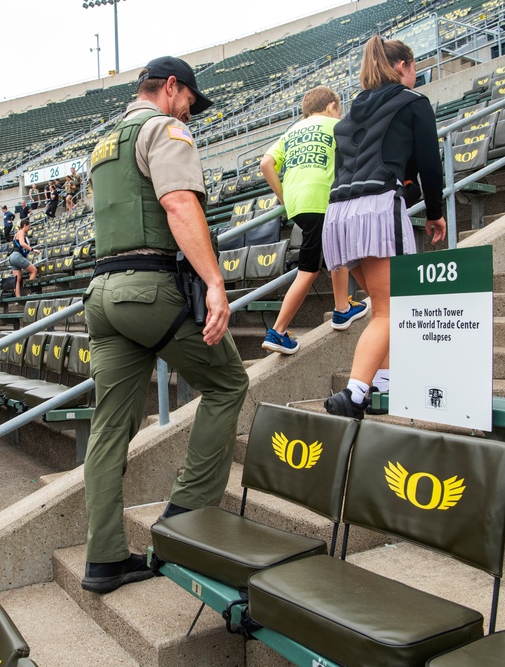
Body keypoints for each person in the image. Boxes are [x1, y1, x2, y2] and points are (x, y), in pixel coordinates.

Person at [81, 56, 249, 594]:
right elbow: (178, 205)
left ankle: (104, 560)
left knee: (109, 429)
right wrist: (216, 284)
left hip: (101, 296)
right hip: (148, 287)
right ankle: (186, 519)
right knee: (228, 383)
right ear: (171, 87)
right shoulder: (164, 128)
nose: (192, 114)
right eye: (190, 102)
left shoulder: (103, 146)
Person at [322, 36, 446, 419]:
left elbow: (395, 162)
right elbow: (429, 163)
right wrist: (435, 212)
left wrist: (409, 187)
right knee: (390, 310)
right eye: (415, 67)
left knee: (383, 304)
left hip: (338, 214)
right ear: (403, 66)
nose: (416, 74)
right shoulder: (414, 102)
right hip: (375, 206)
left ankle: (385, 384)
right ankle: (354, 393)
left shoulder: (351, 112)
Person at [260, 87, 369, 355]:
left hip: (298, 204)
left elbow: (266, 164)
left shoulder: (292, 130)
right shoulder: (336, 124)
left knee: (334, 252)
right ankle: (331, 313)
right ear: (332, 106)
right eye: (339, 107)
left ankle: (351, 305)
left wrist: (283, 196)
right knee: (315, 265)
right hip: (324, 198)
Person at [9, 218, 37, 298]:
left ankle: (18, 298)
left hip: (12, 257)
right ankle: (30, 292)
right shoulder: (21, 232)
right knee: (33, 271)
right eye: (28, 226)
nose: (29, 228)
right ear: (24, 225)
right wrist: (33, 250)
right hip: (17, 256)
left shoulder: (16, 234)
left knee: (17, 279)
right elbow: (22, 243)